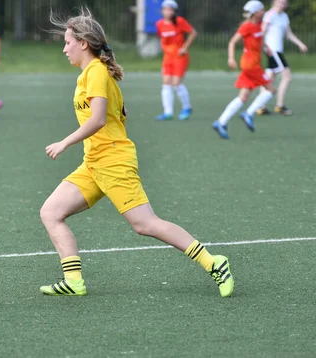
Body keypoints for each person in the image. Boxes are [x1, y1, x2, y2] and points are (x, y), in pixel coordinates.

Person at [40, 7, 234, 298]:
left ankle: (214, 262)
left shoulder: (94, 72)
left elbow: (98, 119)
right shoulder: (92, 74)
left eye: (67, 42)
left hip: (113, 162)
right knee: (51, 212)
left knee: (145, 224)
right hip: (94, 163)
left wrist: (64, 142)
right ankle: (74, 281)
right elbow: (119, 113)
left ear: (83, 42)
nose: (64, 48)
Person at [212, 1, 275, 140]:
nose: (264, 11)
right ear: (255, 12)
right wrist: (231, 58)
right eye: (261, 9)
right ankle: (249, 113)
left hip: (251, 65)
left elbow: (259, 38)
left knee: (243, 97)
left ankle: (221, 122)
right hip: (251, 65)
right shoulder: (246, 26)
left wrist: (266, 47)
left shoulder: (258, 25)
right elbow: (232, 42)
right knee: (270, 89)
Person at [256, 0, 308, 116]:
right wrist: (263, 46)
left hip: (278, 51)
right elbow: (262, 32)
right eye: (280, 2)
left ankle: (261, 106)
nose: (282, 5)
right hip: (272, 51)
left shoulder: (284, 16)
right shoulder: (270, 15)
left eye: (284, 3)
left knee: (269, 78)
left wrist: (300, 44)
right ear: (274, 2)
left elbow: (288, 34)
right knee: (287, 76)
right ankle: (279, 105)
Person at [155, 0, 197, 121]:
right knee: (166, 82)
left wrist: (184, 48)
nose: (167, 12)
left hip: (180, 57)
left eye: (170, 9)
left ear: (174, 11)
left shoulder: (180, 21)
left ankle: (187, 107)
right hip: (168, 57)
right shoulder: (159, 24)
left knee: (176, 83)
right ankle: (167, 112)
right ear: (162, 10)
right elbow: (161, 38)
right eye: (165, 9)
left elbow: (193, 33)